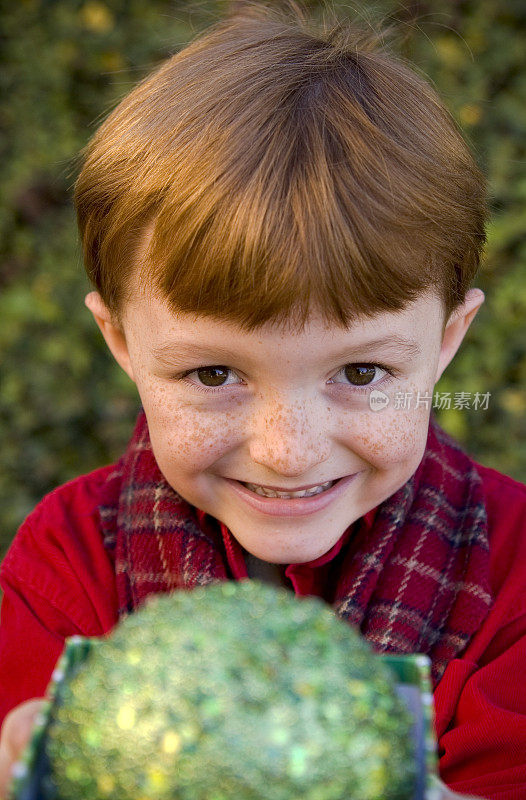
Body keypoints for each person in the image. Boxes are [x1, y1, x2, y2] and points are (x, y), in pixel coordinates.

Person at [1, 2, 525, 798]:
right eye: (214, 375)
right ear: (121, 345)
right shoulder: (66, 570)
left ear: (447, 343)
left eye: (359, 374)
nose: (289, 449)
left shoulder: (514, 577)